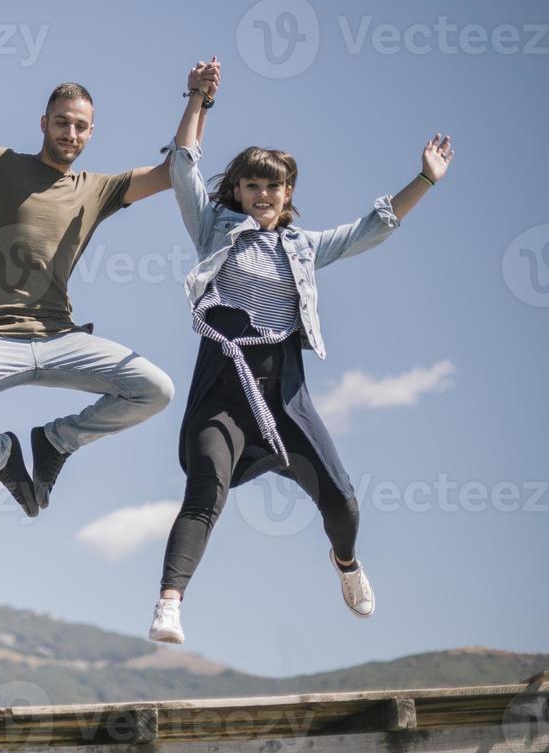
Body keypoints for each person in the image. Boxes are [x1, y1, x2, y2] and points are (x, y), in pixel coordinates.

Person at [147, 57, 454, 644]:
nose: (263, 193)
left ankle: (345, 563)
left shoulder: (306, 247)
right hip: (222, 391)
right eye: (253, 184)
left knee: (341, 500)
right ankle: (169, 604)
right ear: (238, 190)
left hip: (284, 395)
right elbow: (184, 166)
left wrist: (426, 179)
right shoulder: (214, 228)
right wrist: (196, 99)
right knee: (204, 488)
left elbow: (373, 226)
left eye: (275, 185)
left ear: (288, 194)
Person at [0, 80, 177, 517]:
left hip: (60, 336)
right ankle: (3, 457)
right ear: (44, 123)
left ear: (91, 133)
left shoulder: (96, 189)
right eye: (61, 123)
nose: (70, 134)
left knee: (155, 390)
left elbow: (174, 172)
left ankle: (57, 441)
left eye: (80, 126)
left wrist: (198, 101)